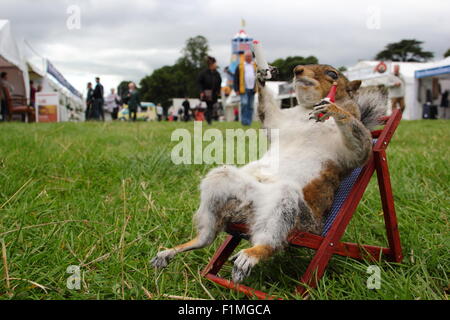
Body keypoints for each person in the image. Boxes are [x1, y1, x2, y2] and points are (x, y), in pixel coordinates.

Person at [234, 51, 257, 125]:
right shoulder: (240, 66)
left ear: (252, 57)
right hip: (243, 89)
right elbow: (236, 78)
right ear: (244, 57)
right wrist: (236, 89)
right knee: (244, 104)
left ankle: (249, 122)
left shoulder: (255, 65)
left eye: (249, 56)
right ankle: (244, 121)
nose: (248, 58)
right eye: (246, 56)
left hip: (253, 89)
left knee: (251, 106)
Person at [198, 56, 222, 125]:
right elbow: (199, 83)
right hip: (206, 93)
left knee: (211, 107)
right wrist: (201, 92)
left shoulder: (217, 74)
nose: (216, 65)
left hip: (214, 93)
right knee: (209, 106)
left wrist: (219, 91)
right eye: (215, 64)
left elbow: (219, 82)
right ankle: (209, 121)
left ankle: (207, 116)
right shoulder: (203, 73)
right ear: (211, 64)